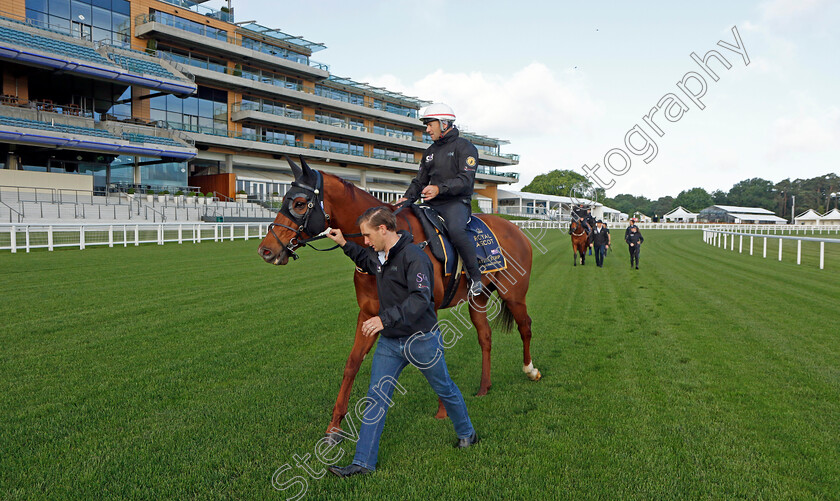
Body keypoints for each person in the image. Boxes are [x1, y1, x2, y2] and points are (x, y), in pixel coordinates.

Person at [325, 207, 478, 478]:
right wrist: (344, 244)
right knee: (375, 398)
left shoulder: (415, 257)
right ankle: (363, 462)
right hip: (390, 344)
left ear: (383, 229)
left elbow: (420, 300)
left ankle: (467, 433)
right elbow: (365, 258)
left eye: (368, 235)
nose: (366, 241)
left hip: (422, 340)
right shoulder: (381, 255)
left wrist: (384, 320)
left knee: (445, 388)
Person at [396, 103, 483, 296]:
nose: (427, 130)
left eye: (430, 125)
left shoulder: (466, 148)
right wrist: (405, 199)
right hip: (431, 204)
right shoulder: (429, 153)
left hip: (456, 204)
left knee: (456, 231)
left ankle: (476, 277)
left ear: (444, 123)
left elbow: (465, 181)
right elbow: (419, 181)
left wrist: (438, 188)